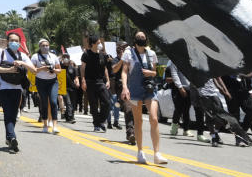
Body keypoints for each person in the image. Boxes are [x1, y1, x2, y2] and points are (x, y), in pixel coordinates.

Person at [121, 31, 166, 165]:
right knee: (138, 121)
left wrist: (150, 73)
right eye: (139, 37)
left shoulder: (151, 53)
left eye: (143, 37)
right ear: (135, 39)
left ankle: (157, 153)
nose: (141, 38)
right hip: (134, 91)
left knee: (154, 118)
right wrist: (125, 87)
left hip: (149, 90)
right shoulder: (129, 53)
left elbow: (155, 72)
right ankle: (140, 151)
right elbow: (124, 71)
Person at [0, 32, 33, 153]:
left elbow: (33, 70)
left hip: (17, 88)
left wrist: (23, 63)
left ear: (20, 43)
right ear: (8, 42)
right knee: (8, 112)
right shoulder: (1, 52)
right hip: (3, 87)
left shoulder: (23, 55)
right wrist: (9, 69)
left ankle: (9, 138)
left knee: (13, 115)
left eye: (16, 40)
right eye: (12, 40)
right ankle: (12, 137)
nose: (14, 42)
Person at [81, 34, 111, 133]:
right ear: (93, 44)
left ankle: (101, 120)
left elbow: (105, 68)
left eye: (100, 43)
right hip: (90, 82)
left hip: (101, 82)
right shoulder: (86, 54)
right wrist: (83, 80)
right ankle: (96, 124)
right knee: (93, 104)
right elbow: (83, 68)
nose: (100, 44)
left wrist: (108, 80)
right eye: (98, 43)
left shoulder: (102, 55)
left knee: (107, 102)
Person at [31, 38, 61, 134]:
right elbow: (32, 70)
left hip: (53, 82)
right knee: (44, 102)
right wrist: (42, 68)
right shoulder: (35, 57)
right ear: (40, 46)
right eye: (43, 45)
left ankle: (54, 125)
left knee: (53, 102)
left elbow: (59, 70)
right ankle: (45, 125)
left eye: (47, 45)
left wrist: (53, 70)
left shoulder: (53, 56)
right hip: (41, 82)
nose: (45, 47)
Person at [167, 61, 192, 137]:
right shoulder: (172, 63)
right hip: (177, 89)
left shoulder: (189, 62)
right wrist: (180, 87)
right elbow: (173, 76)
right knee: (178, 108)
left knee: (186, 110)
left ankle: (186, 130)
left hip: (188, 88)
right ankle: (174, 127)